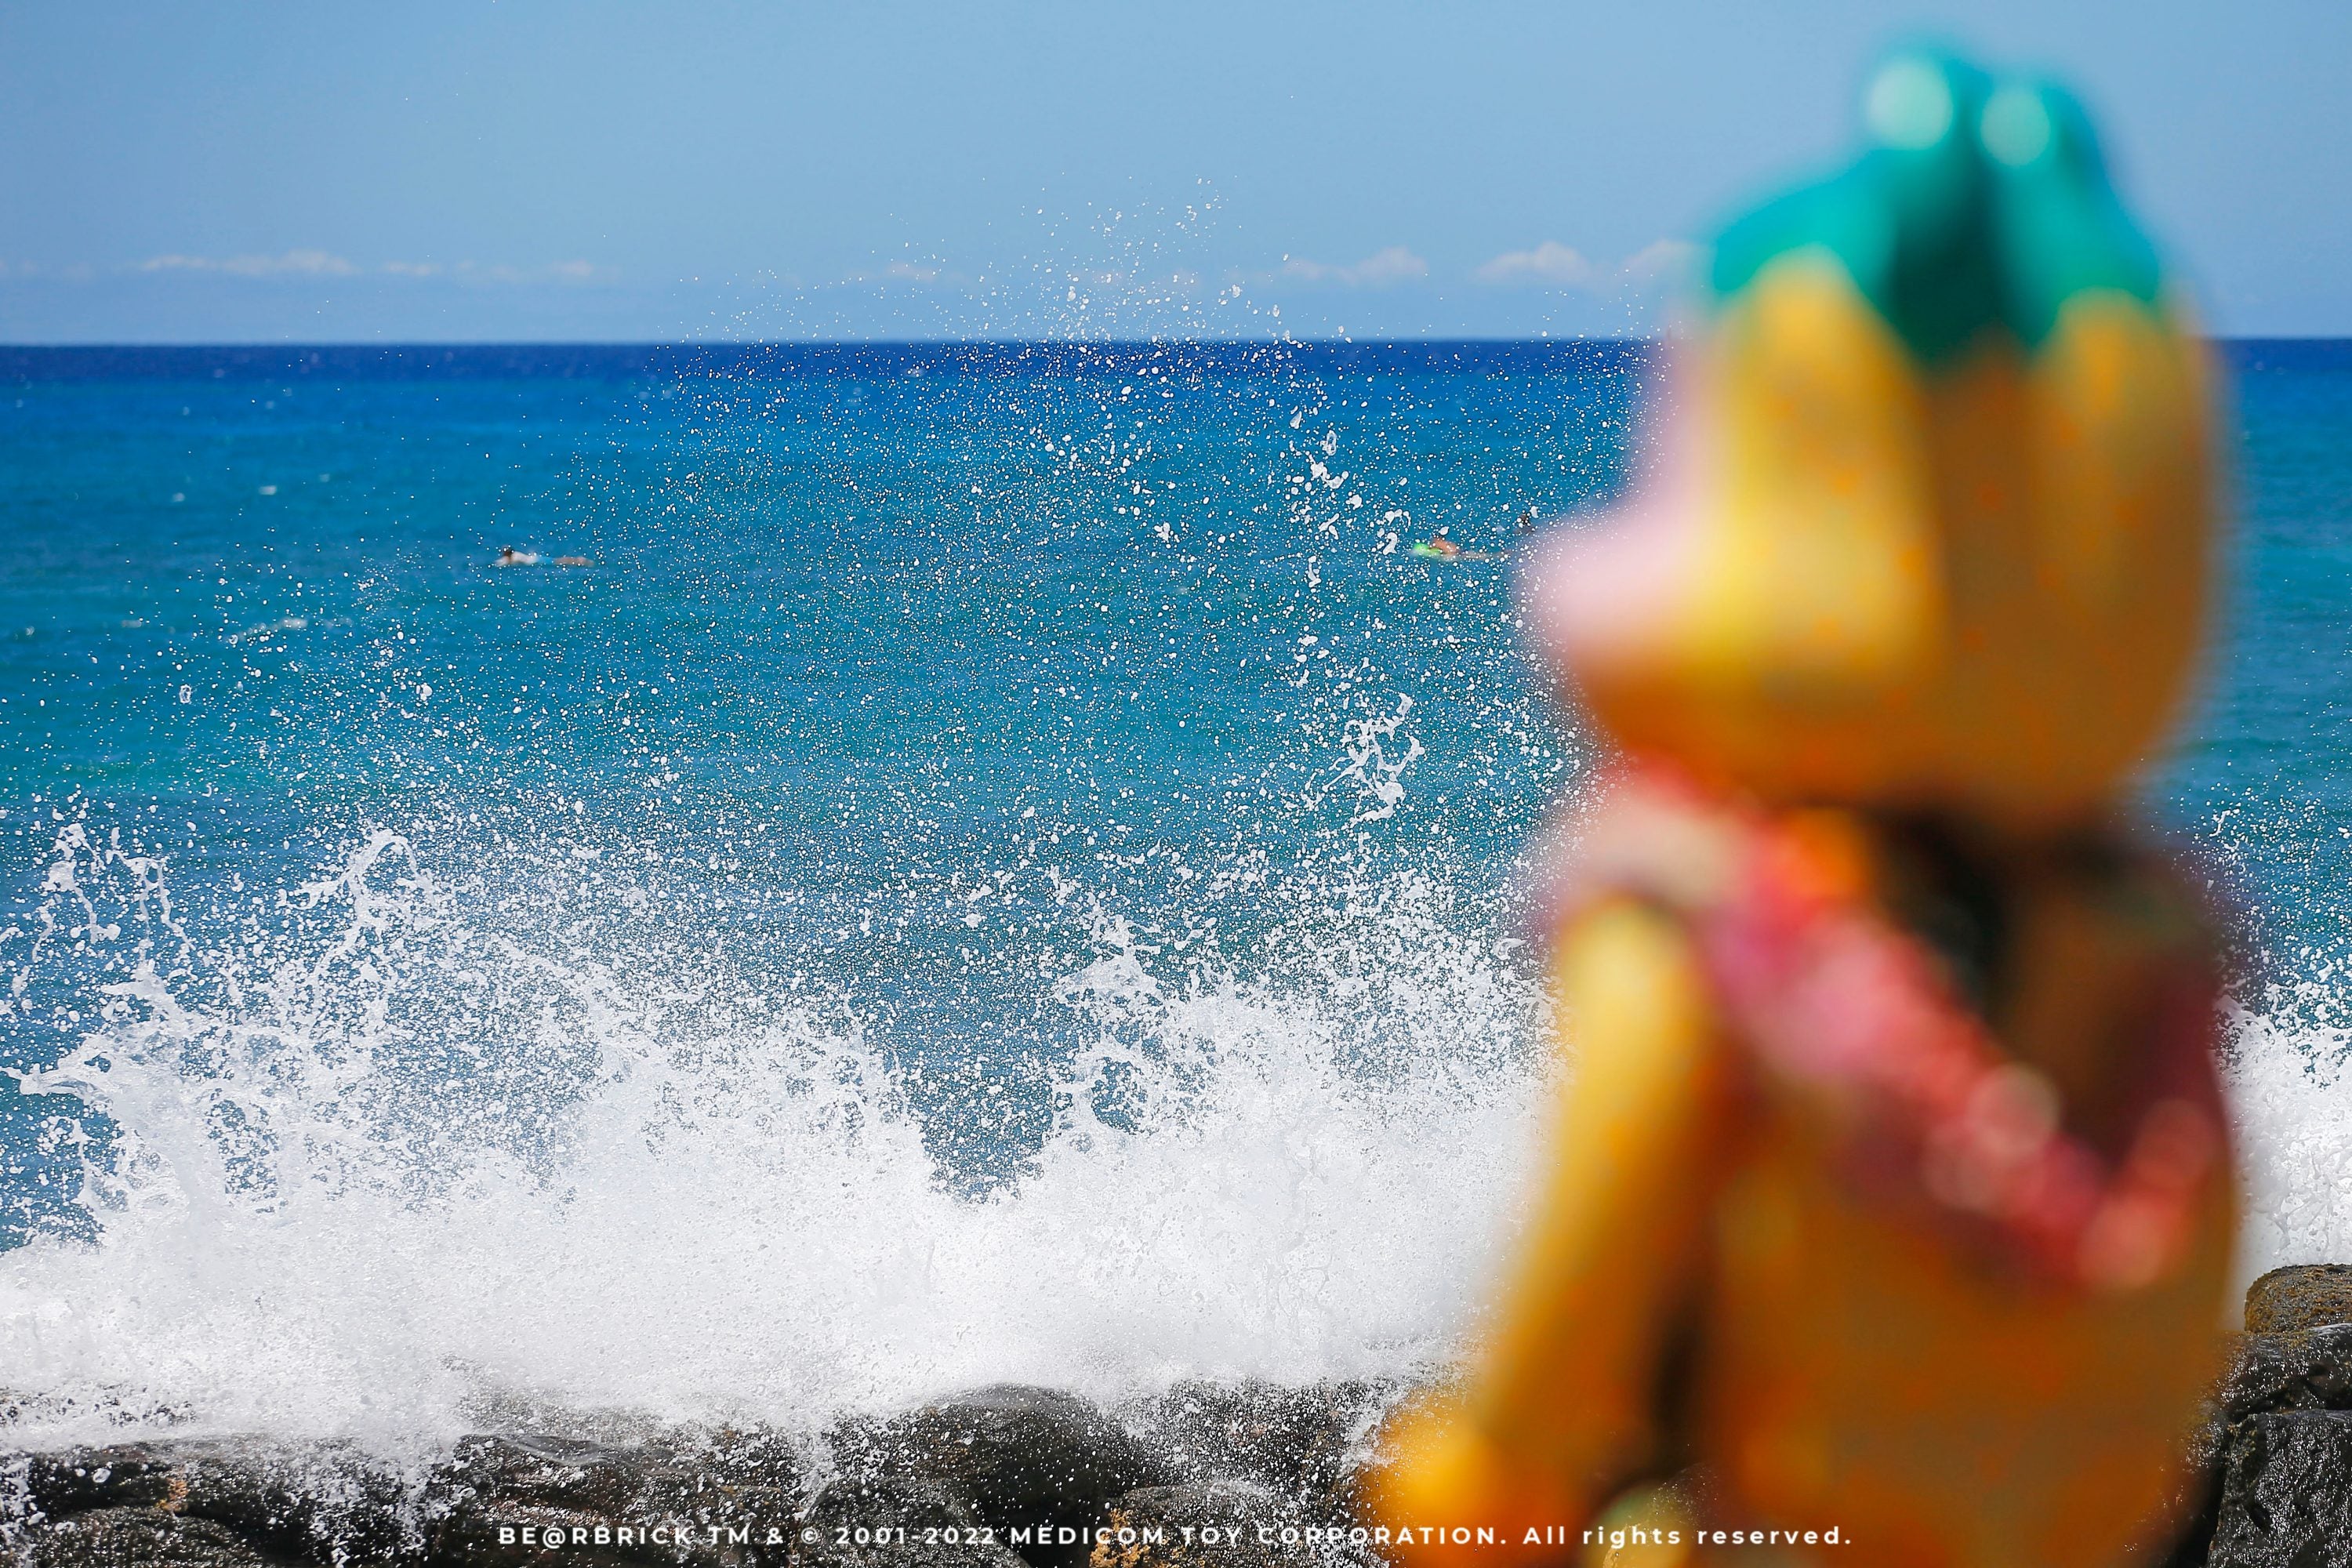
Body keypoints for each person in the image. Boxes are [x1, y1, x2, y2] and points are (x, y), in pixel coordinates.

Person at [1362, 51, 2231, 1567]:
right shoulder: (2150, 936)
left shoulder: (1711, 929)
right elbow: (2178, 1309)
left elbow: (1601, 1238)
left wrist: (1478, 1483)